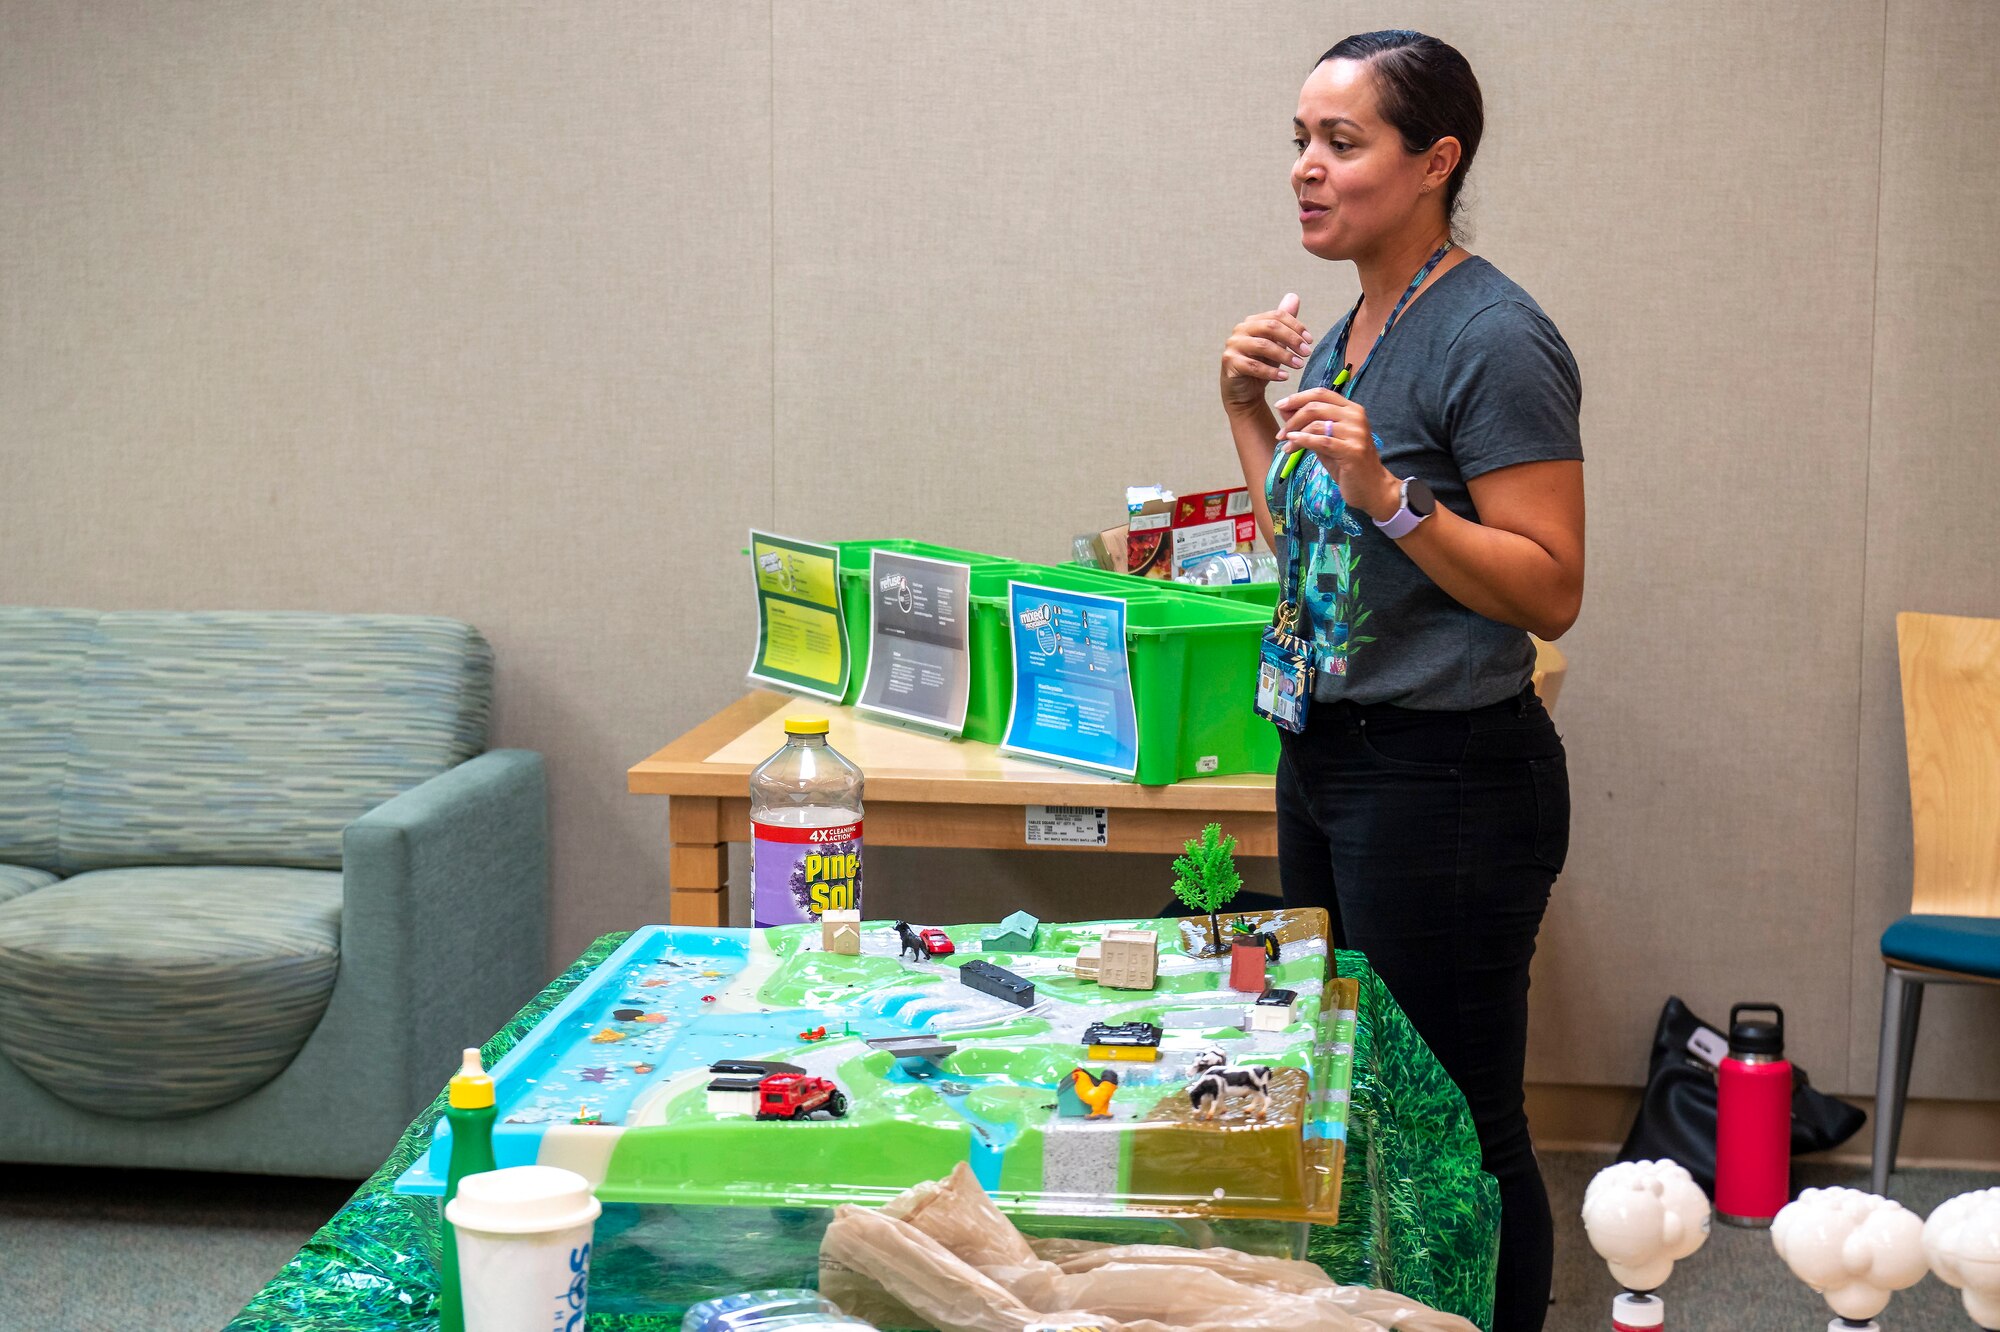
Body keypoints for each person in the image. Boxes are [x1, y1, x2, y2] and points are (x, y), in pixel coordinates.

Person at [1218, 31, 1584, 1332]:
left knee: (1459, 1120)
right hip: (1331, 760)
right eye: (1301, 143)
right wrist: (1251, 415)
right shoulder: (1353, 326)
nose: (1308, 171)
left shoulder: (1494, 335)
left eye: (1343, 143)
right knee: (1364, 1099)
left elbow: (1552, 588)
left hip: (1447, 784)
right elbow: (1322, 566)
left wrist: (1392, 489)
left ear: (1438, 161)